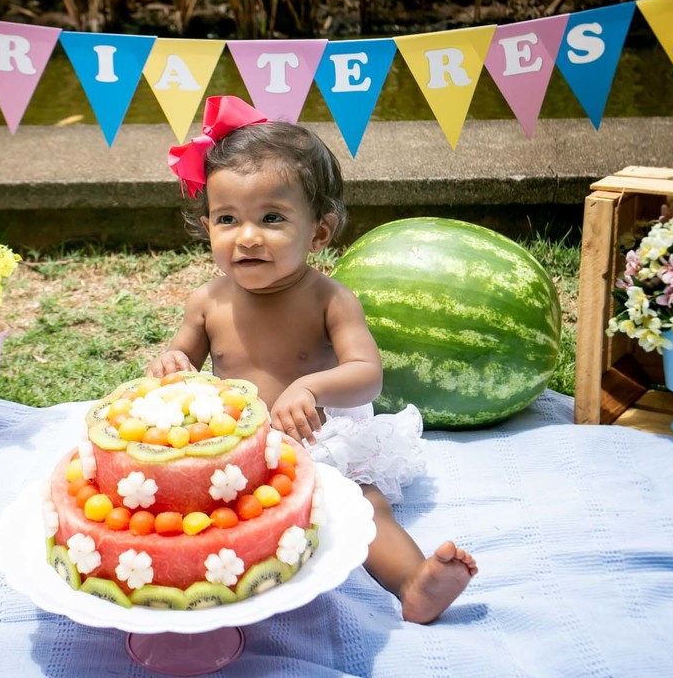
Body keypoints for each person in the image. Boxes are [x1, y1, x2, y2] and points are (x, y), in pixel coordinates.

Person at [146, 96, 477, 624]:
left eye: (272, 218)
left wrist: (311, 387)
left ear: (318, 232)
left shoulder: (330, 299)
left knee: (361, 504)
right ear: (207, 225)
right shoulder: (208, 301)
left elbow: (366, 375)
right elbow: (184, 353)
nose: (247, 236)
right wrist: (172, 364)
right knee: (198, 508)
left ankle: (413, 582)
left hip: (317, 440)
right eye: (227, 218)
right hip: (238, 444)